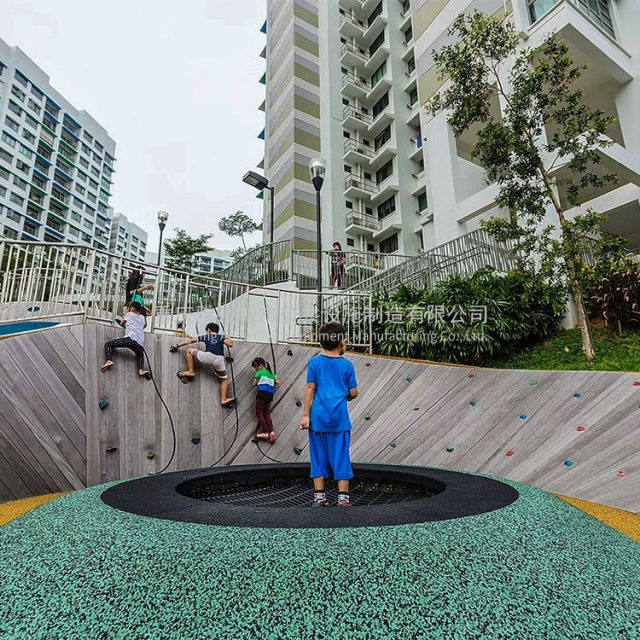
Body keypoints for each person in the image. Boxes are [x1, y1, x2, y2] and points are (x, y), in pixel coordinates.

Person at [299, 321, 358, 507]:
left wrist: (305, 415)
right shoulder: (347, 365)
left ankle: (319, 497)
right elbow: (354, 392)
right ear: (341, 342)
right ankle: (343, 499)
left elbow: (310, 389)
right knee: (341, 456)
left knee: (317, 457)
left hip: (318, 418)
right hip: (339, 420)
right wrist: (346, 395)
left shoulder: (314, 363)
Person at [170, 322, 235, 406]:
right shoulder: (221, 337)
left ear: (208, 330)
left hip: (208, 357)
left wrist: (177, 345)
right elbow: (230, 344)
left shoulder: (206, 336)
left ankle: (191, 371)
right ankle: (224, 399)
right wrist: (228, 337)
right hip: (219, 360)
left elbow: (190, 341)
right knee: (224, 380)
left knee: (189, 350)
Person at [101, 301, 151, 378]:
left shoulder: (129, 314)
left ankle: (109, 360)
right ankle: (141, 369)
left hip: (130, 339)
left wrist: (127, 322)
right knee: (140, 355)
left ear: (131, 308)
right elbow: (143, 326)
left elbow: (122, 323)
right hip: (140, 344)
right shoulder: (142, 318)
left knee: (108, 344)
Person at [252, 357, 280, 444]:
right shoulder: (271, 374)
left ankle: (264, 432)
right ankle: (271, 431)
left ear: (260, 365)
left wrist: (259, 380)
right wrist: (275, 377)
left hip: (262, 393)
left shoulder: (260, 372)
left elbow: (254, 384)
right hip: (270, 394)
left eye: (256, 367)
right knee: (266, 413)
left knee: (259, 413)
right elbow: (278, 382)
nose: (256, 370)